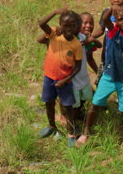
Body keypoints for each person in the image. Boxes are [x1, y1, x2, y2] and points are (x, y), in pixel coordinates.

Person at [76, 5, 123, 150]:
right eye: (121, 19)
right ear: (116, 22)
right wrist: (113, 8)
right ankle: (86, 133)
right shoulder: (112, 31)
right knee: (95, 104)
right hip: (109, 76)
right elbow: (105, 18)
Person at [38, 8, 83, 147]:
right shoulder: (54, 34)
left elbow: (78, 67)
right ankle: (51, 126)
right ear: (60, 25)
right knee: (49, 103)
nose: (68, 28)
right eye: (65, 25)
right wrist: (55, 12)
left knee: (67, 107)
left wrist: (64, 80)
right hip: (49, 77)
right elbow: (41, 23)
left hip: (65, 81)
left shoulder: (76, 44)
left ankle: (70, 134)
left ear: (77, 26)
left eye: (72, 25)